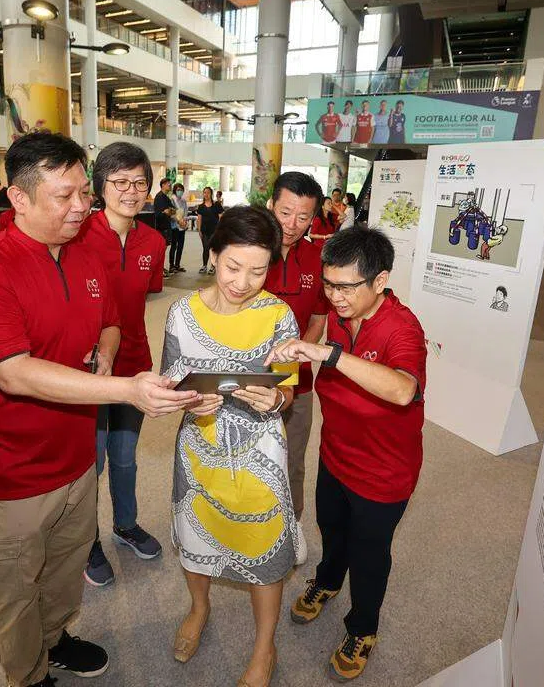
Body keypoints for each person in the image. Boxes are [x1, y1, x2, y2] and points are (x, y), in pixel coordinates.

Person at [0, 132, 198, 687]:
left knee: (64, 567)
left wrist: (108, 354)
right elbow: (12, 372)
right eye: (65, 196)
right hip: (9, 467)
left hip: (75, 454)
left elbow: (111, 318)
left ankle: (57, 639)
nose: (82, 206)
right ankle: (28, 674)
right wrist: (127, 390)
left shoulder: (86, 251)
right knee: (16, 585)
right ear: (18, 198)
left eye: (84, 192)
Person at [274, 227, 426, 682]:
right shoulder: (341, 314)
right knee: (332, 529)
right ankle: (326, 580)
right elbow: (305, 344)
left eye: (346, 287)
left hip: (384, 472)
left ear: (379, 281)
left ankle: (363, 627)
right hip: (336, 454)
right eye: (329, 284)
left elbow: (402, 390)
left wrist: (329, 355)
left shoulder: (403, 327)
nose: (335, 297)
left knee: (370, 552)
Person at [161, 205, 300, 687]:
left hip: (260, 450)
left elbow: (290, 388)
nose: (243, 282)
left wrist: (276, 398)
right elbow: (172, 383)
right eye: (232, 267)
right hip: (199, 449)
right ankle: (198, 608)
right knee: (197, 535)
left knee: (264, 544)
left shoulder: (279, 315)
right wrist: (187, 404)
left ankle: (265, 647)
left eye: (258, 271)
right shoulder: (181, 313)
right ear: (213, 254)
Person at [74, 142, 166, 588]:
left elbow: (143, 296)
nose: (131, 191)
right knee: (91, 462)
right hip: (87, 370)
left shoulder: (154, 240)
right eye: (120, 182)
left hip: (136, 364)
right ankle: (85, 539)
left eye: (140, 182)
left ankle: (125, 524)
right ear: (100, 186)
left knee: (126, 459)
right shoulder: (77, 236)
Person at [263, 172, 330, 565]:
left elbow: (320, 316)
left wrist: (301, 352)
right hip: (249, 378)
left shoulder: (316, 258)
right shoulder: (250, 249)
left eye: (302, 217)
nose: (291, 224)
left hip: (298, 384)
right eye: (285, 211)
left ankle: (293, 520)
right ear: (271, 205)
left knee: (293, 458)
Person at [195, 186, 223, 274]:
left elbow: (221, 217)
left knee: (213, 249)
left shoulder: (216, 205)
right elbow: (199, 219)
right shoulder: (201, 207)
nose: (206, 194)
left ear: (211, 194)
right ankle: (204, 266)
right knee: (205, 248)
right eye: (204, 192)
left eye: (208, 192)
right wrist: (199, 230)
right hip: (204, 231)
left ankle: (213, 266)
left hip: (214, 230)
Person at [153, 177, 176, 276]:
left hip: (166, 226)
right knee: (160, 249)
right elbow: (161, 213)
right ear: (163, 185)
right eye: (168, 184)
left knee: (163, 249)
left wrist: (168, 211)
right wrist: (166, 211)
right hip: (160, 227)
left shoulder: (166, 197)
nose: (170, 186)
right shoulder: (159, 197)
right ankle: (158, 269)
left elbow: (173, 210)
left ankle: (160, 268)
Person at [168, 182, 188, 273]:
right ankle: (171, 266)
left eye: (181, 190)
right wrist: (178, 221)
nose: (180, 191)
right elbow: (171, 213)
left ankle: (177, 265)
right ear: (175, 190)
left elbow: (186, 212)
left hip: (182, 226)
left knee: (180, 246)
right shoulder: (172, 200)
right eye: (178, 190)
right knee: (174, 246)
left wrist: (184, 221)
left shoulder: (183, 201)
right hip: (175, 226)